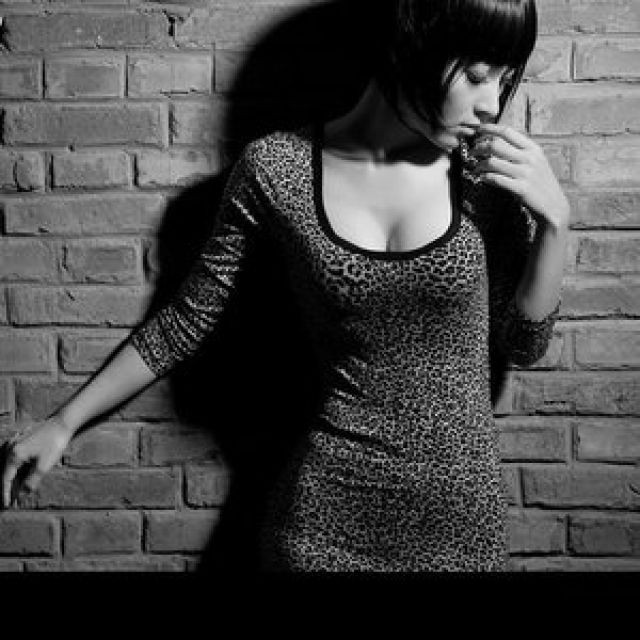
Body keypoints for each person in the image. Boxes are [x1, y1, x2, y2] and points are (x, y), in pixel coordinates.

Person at [1, 0, 569, 571]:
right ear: (411, 47)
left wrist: (554, 223)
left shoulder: (485, 176)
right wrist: (64, 423)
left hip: (460, 526)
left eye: (504, 80)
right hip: (322, 524)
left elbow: (523, 344)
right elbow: (186, 321)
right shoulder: (277, 171)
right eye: (476, 75)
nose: (491, 104)